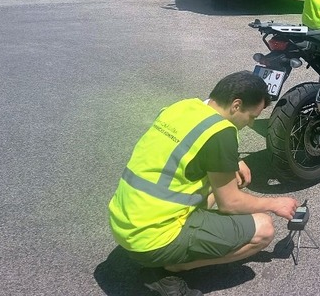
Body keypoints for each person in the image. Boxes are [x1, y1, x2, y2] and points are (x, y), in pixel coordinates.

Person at [107, 71, 298, 295]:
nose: (251, 123)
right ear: (236, 105)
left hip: (124, 222)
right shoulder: (222, 133)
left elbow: (186, 145)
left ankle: (169, 252)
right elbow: (230, 204)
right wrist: (275, 204)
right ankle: (175, 267)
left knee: (230, 182)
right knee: (264, 228)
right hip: (152, 239)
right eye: (253, 117)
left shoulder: (182, 107)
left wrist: (233, 161)